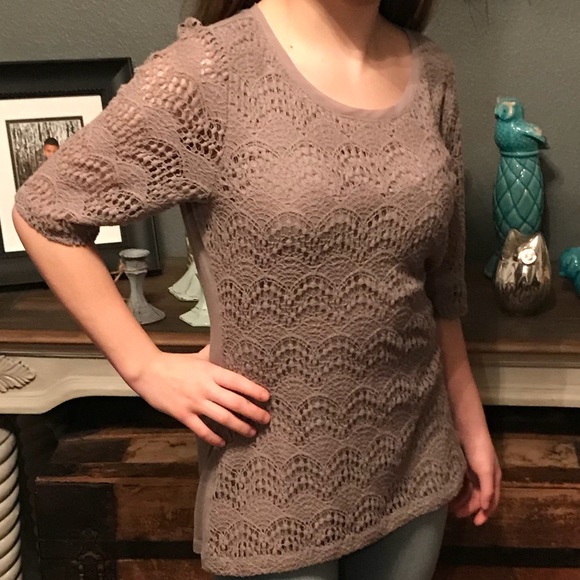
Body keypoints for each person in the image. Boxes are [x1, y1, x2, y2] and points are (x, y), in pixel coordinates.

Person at [12, 1, 502, 578]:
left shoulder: (433, 72)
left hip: (417, 458)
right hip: (275, 479)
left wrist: (470, 426)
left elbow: (441, 284)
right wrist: (145, 367)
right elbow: (45, 212)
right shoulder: (208, 71)